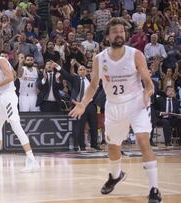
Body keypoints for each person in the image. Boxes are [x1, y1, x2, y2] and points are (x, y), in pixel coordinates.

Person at [69, 17, 162, 203]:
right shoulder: (99, 59)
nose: (119, 34)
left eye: (121, 31)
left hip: (136, 103)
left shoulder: (136, 54)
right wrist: (83, 103)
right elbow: (94, 85)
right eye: (115, 31)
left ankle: (154, 189)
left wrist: (148, 93)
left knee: (143, 140)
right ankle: (116, 175)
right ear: (107, 36)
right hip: (113, 106)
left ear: (125, 34)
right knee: (113, 147)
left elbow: (148, 83)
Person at [0, 43, 39, 172]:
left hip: (8, 96)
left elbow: (10, 78)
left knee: (15, 125)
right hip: (2, 98)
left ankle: (31, 159)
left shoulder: (1, 60)